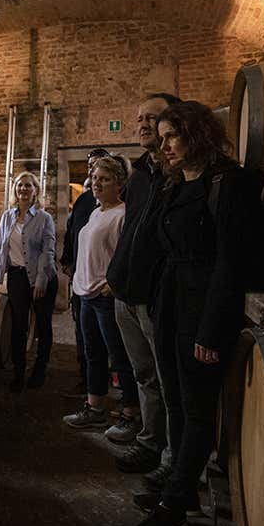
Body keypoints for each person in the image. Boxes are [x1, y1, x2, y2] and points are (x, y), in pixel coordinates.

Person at [135, 100, 264, 526]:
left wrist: (212, 329)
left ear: (198, 135)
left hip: (203, 308)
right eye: (163, 135)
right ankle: (181, 489)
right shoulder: (176, 185)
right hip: (171, 304)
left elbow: (232, 262)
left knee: (196, 408)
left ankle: (174, 505)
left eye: (173, 135)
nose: (164, 144)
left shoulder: (229, 184)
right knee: (174, 397)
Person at [106, 93, 182, 478]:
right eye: (140, 118)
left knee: (168, 380)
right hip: (126, 293)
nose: (142, 124)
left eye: (152, 118)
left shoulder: (177, 175)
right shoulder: (139, 176)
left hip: (154, 298)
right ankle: (151, 442)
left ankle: (172, 457)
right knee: (144, 375)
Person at [64, 156, 131, 429]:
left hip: (104, 296)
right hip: (84, 294)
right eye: (94, 179)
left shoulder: (122, 214)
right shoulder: (95, 212)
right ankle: (95, 407)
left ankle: (129, 413)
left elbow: (125, 256)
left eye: (105, 179)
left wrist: (111, 284)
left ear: (120, 183)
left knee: (119, 355)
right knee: (93, 354)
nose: (97, 184)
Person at [0, 171, 58, 391]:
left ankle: (39, 370)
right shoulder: (7, 216)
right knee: (18, 326)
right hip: (17, 277)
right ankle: (18, 373)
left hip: (42, 276)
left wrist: (40, 282)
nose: (23, 189)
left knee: (43, 325)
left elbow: (48, 251)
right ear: (15, 190)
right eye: (19, 186)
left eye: (28, 186)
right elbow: (0, 249)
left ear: (35, 190)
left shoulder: (44, 218)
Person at [60, 147, 111, 399]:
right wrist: (67, 259)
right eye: (91, 167)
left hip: (101, 284)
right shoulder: (83, 200)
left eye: (99, 166)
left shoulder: (116, 204)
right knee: (84, 337)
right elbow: (72, 232)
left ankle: (110, 391)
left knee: (107, 342)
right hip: (80, 279)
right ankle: (87, 382)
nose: (93, 171)